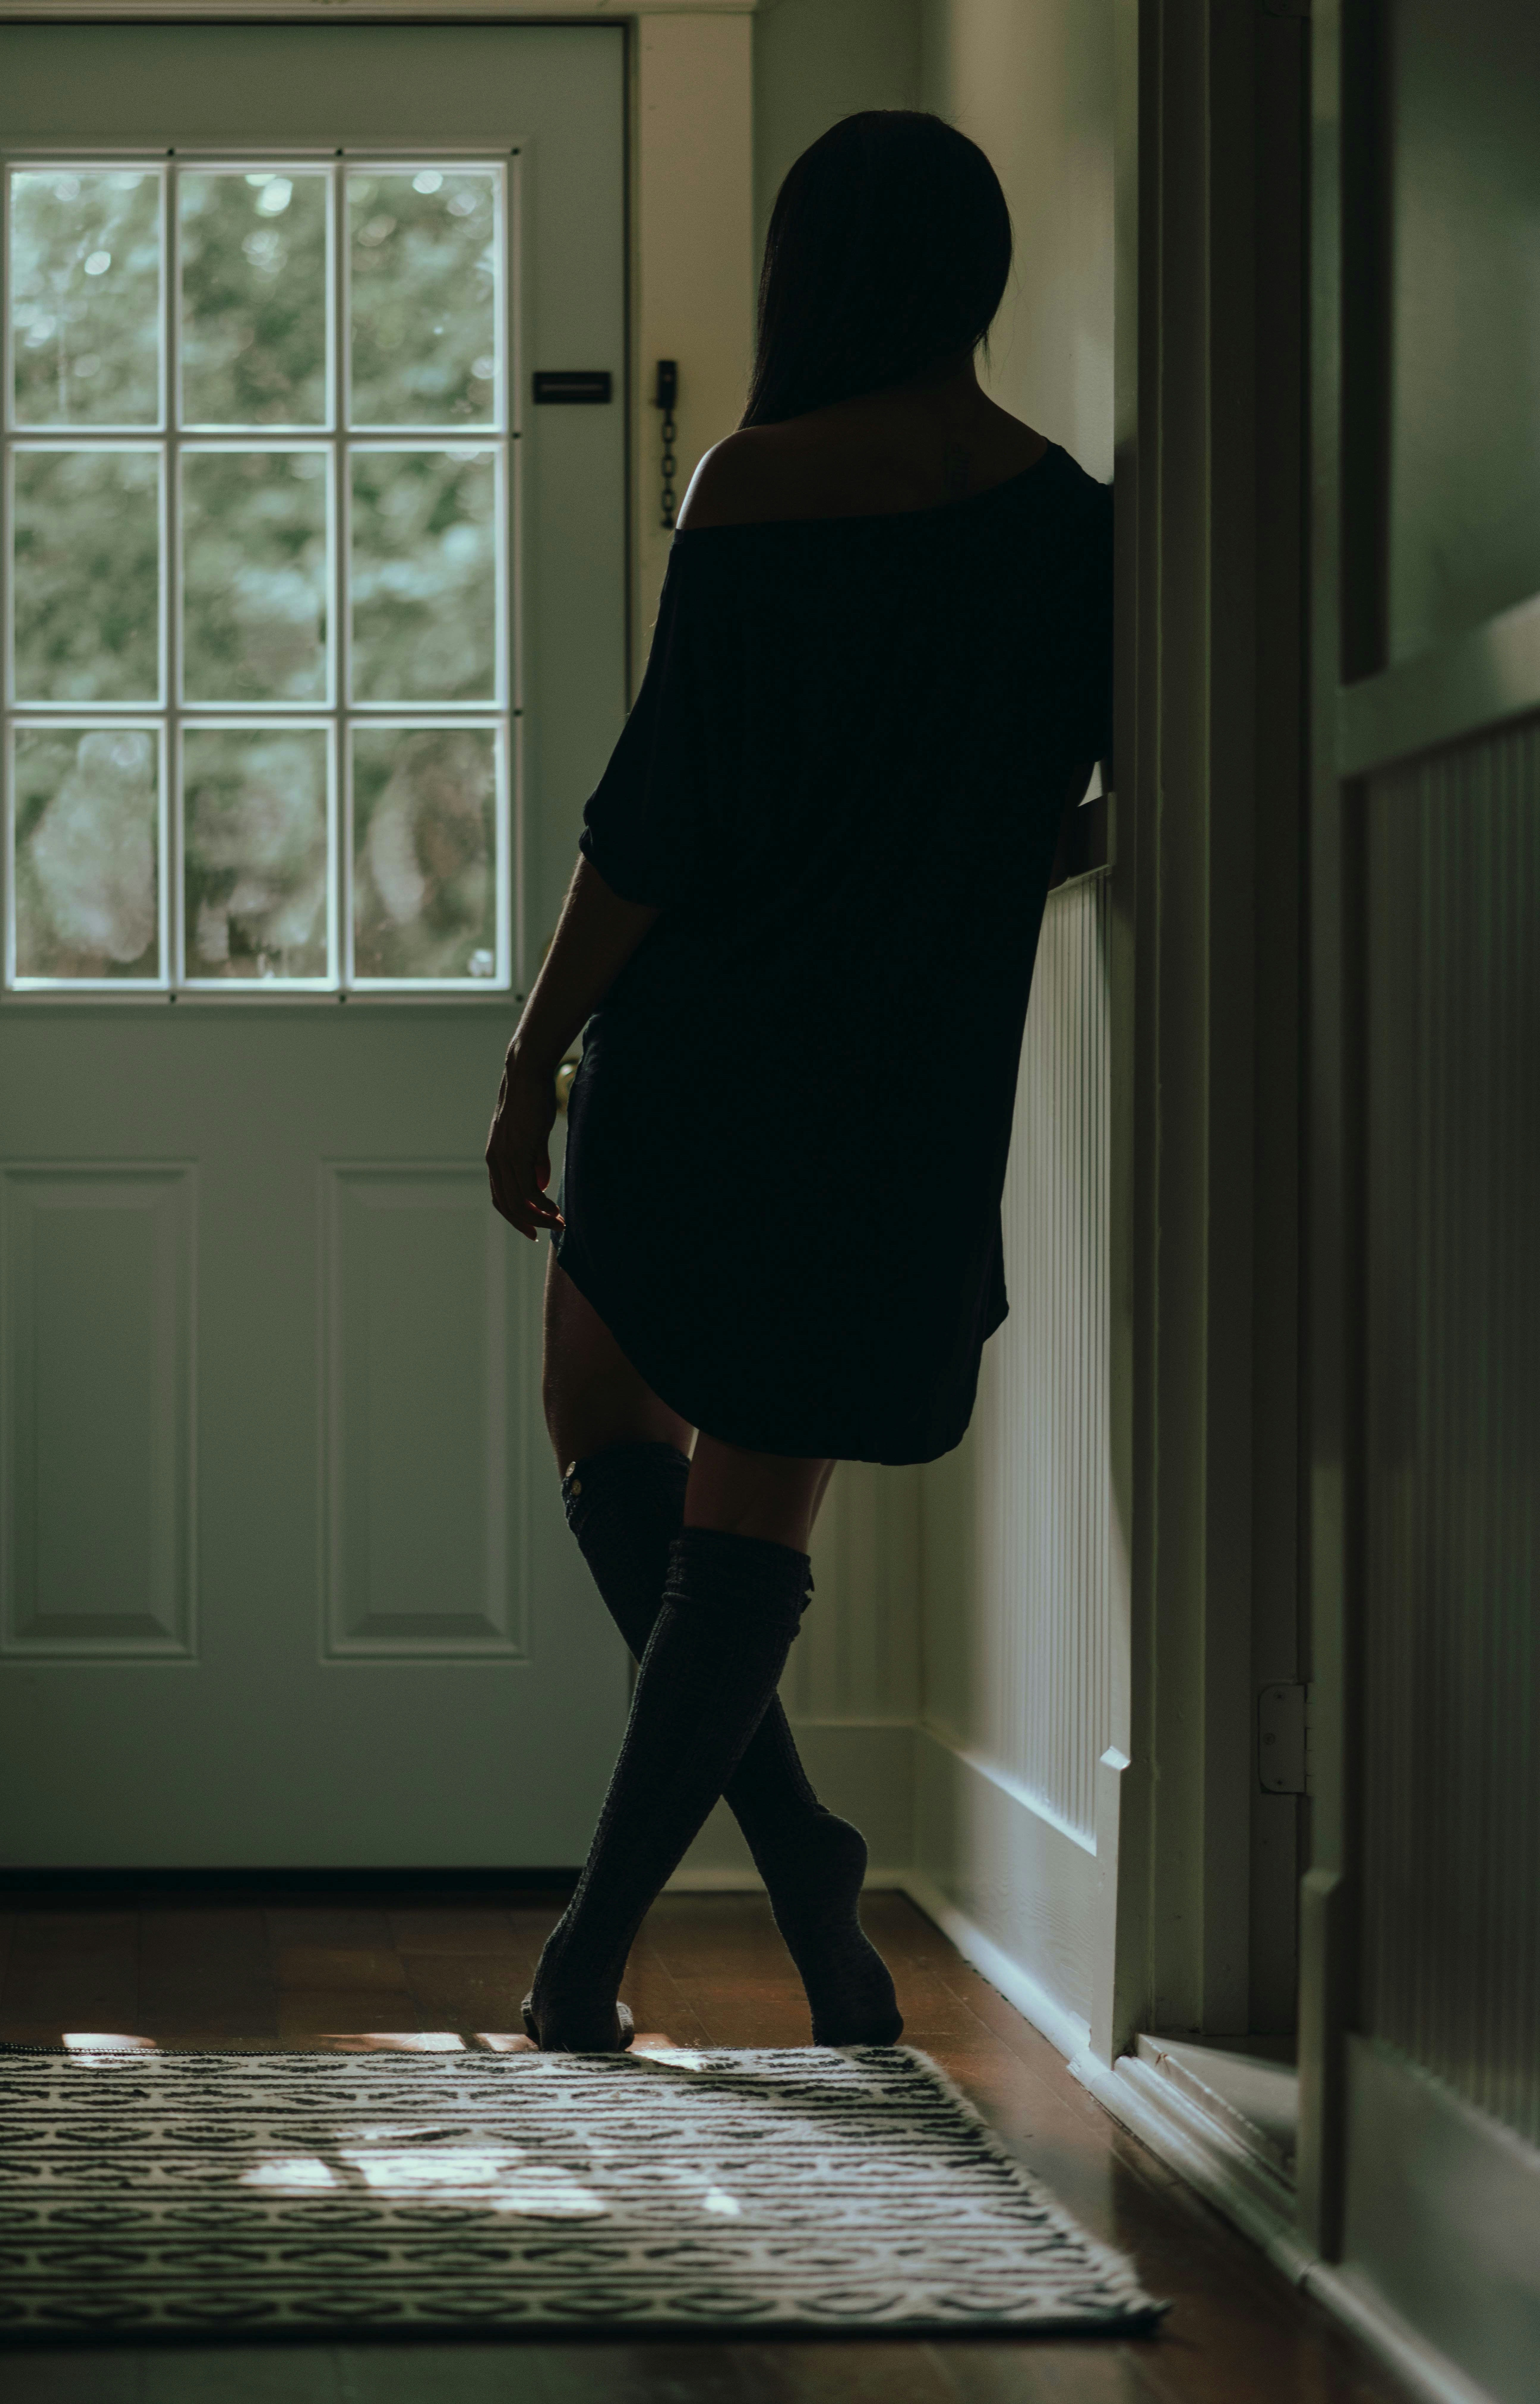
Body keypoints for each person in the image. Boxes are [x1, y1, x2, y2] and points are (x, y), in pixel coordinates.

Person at [484, 110, 1112, 2052]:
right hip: (903, 1075)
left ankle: (613, 1937)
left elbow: (655, 825)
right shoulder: (1072, 519)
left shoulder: (753, 486)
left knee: (607, 1423)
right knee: (754, 1509)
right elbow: (1076, 810)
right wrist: (965, 872)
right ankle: (779, 1897)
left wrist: (533, 1063)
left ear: (810, 276)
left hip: (706, 1047)